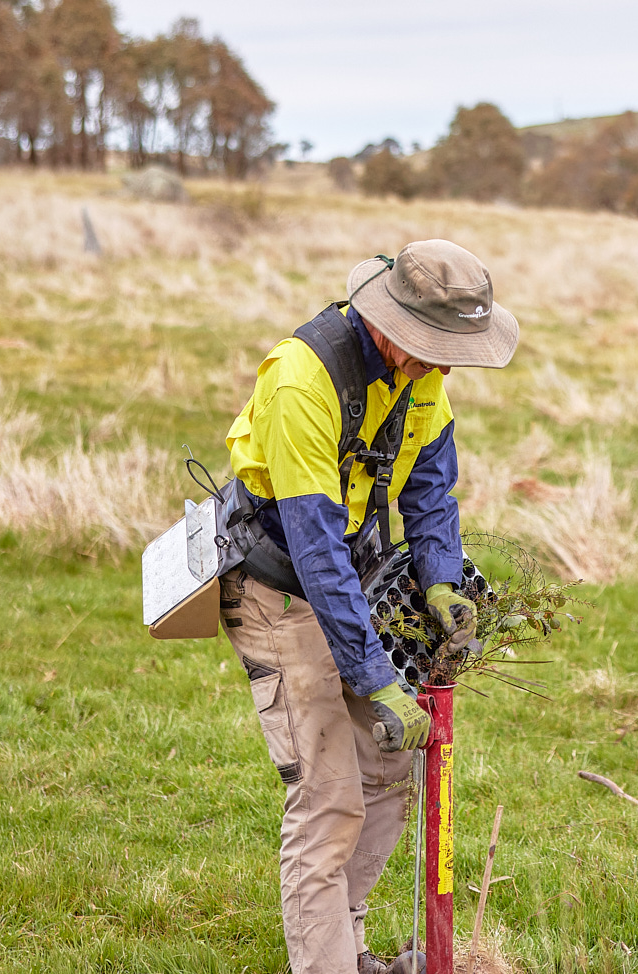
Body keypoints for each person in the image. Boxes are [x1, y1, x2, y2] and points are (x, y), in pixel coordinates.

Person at [219, 240, 518, 974]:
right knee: (330, 802)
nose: (444, 366)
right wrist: (376, 677)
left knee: (389, 773)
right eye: (433, 349)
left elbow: (429, 490)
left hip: (358, 576)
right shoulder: (302, 382)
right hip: (281, 590)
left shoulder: (420, 379)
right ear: (389, 326)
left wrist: (441, 579)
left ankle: (345, 949)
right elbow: (315, 550)